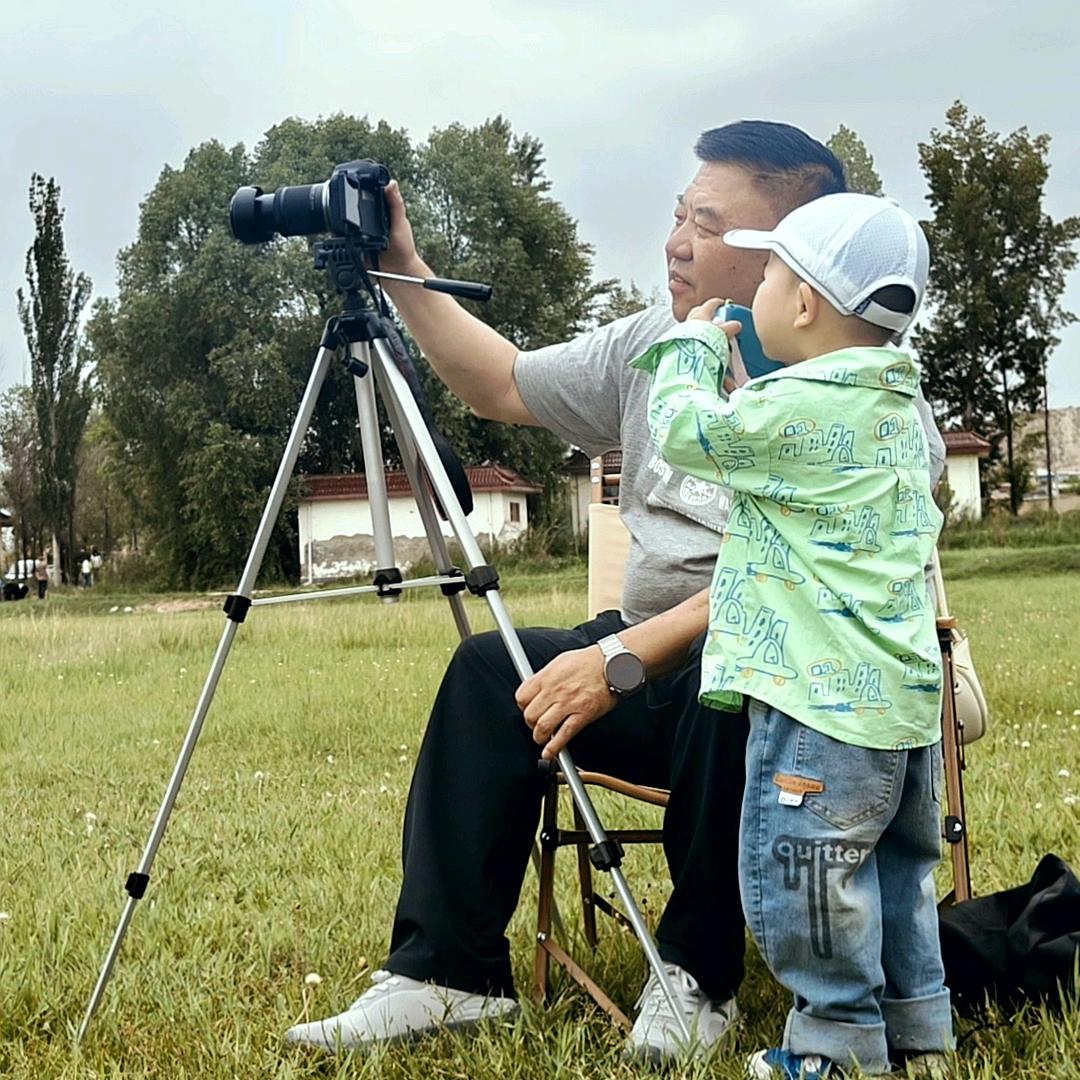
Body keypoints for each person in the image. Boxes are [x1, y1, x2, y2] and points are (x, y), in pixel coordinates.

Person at [284, 122, 946, 1063]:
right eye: (679, 215)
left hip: (796, 680)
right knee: (487, 670)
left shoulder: (874, 405)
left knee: (744, 672)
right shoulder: (655, 344)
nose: (675, 241)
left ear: (794, 258)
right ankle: (448, 976)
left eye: (707, 225)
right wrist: (401, 268)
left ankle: (696, 977)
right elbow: (500, 382)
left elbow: (821, 589)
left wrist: (624, 659)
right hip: (639, 655)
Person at [634, 193, 953, 1077]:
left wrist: (691, 348)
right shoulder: (887, 403)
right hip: (899, 707)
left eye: (770, 271)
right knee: (896, 878)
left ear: (804, 303)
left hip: (818, 707)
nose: (759, 286)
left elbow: (686, 434)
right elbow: (786, 444)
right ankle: (918, 1033)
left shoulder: (796, 413)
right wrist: (749, 386)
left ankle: (836, 1047)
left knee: (811, 880)